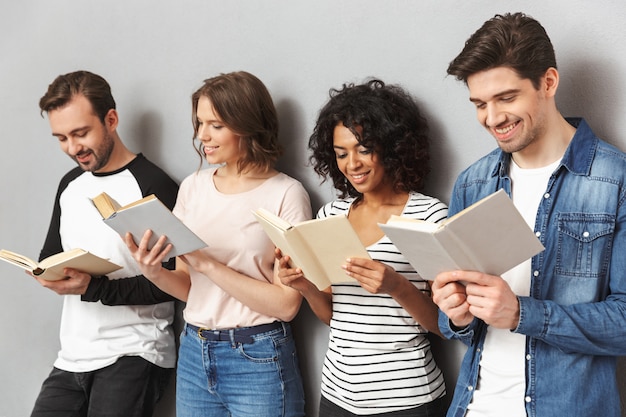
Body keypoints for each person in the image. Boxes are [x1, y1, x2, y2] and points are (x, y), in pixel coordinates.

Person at [432, 12, 626, 417]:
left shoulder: (615, 180)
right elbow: (460, 327)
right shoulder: (472, 183)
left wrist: (523, 314)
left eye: (506, 98)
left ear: (548, 83)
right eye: (480, 104)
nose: (492, 118)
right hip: (473, 405)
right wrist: (456, 314)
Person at [121, 71, 310, 416]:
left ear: (248, 124)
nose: (202, 135)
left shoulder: (286, 193)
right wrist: (152, 272)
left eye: (216, 125)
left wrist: (207, 263)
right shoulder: (193, 187)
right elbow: (189, 287)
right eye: (200, 123)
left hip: (258, 356)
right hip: (195, 351)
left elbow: (286, 305)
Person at [278, 79, 448, 417]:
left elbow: (443, 325)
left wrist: (396, 285)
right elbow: (334, 317)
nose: (352, 163)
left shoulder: (428, 215)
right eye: (341, 154)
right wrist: (305, 287)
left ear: (391, 146)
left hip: (407, 399)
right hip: (337, 396)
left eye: (364, 149)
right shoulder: (331, 215)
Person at [31, 70, 178, 417]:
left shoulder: (152, 185)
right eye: (62, 138)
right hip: (73, 355)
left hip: (135, 353)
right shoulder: (70, 184)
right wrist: (46, 272)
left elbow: (176, 283)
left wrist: (94, 288)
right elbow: (51, 254)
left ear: (111, 119)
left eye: (81, 133)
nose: (72, 148)